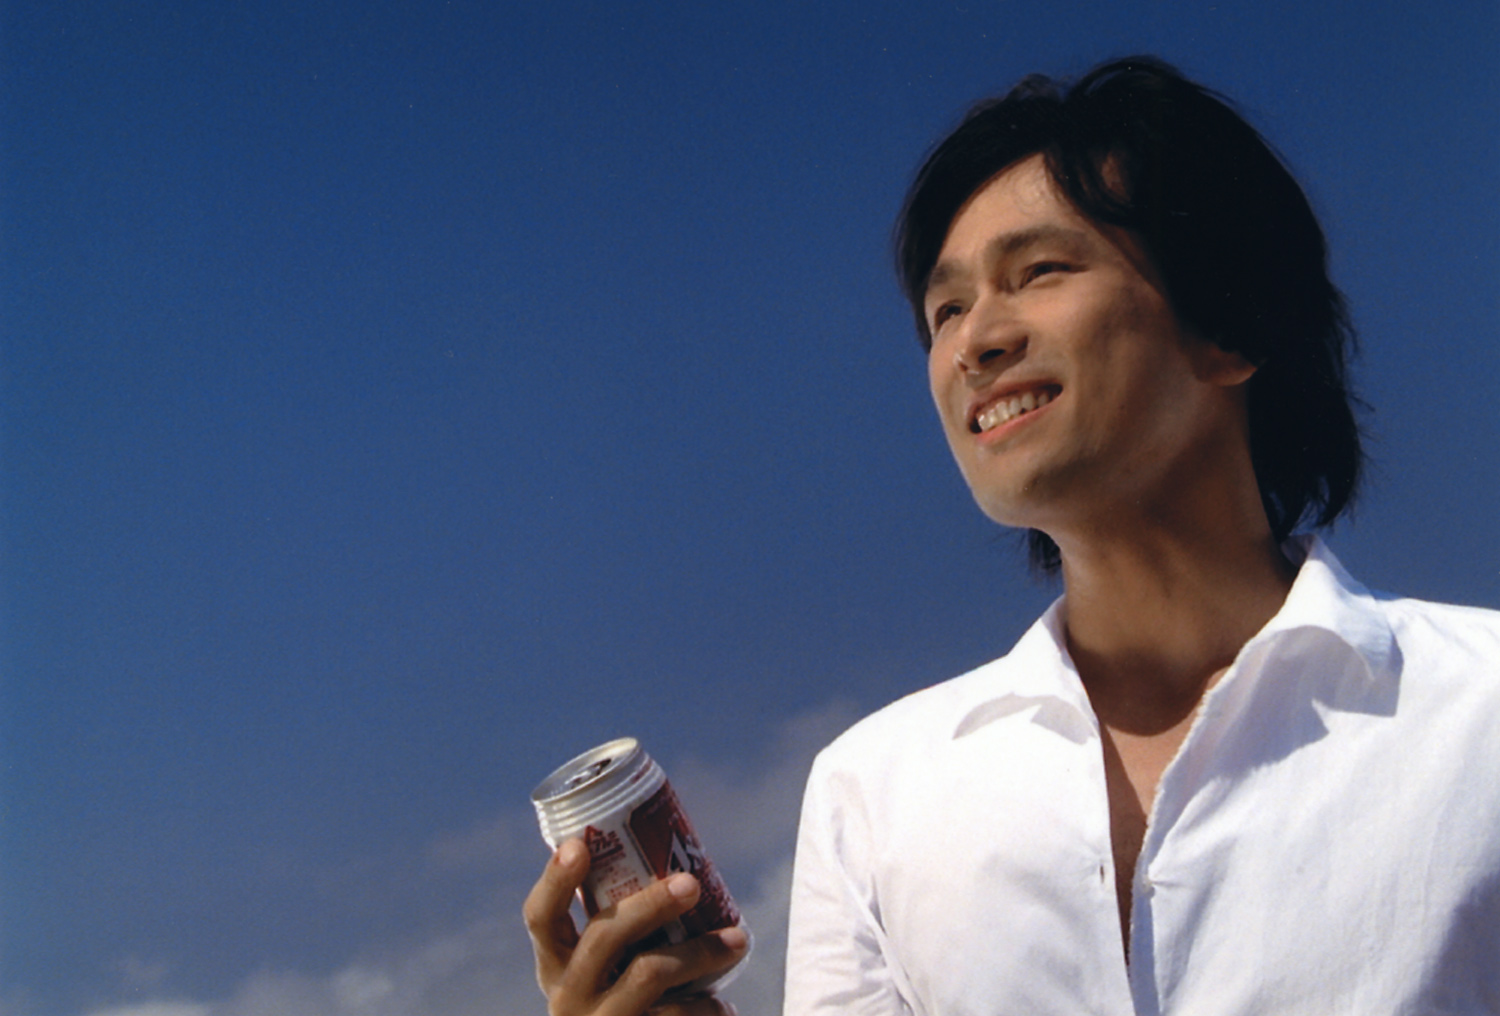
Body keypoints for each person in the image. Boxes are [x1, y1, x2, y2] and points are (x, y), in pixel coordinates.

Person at [525, 56, 1500, 1015]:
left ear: (1229, 326)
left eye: (1038, 271)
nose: (975, 342)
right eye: (946, 309)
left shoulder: (1476, 711)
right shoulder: (874, 791)